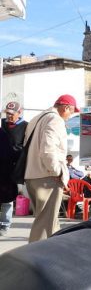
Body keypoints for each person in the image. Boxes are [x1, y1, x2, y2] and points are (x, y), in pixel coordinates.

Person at [24, 94, 78, 242]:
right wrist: (58, 171)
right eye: (71, 112)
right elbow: (47, 150)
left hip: (32, 175)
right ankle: (34, 258)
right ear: (66, 107)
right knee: (45, 223)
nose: (70, 116)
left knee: (49, 221)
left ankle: (55, 252)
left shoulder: (38, 118)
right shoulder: (55, 120)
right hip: (47, 176)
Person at [0, 101, 28, 236]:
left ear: (19, 112)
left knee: (8, 198)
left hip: (13, 168)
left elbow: (25, 147)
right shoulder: (2, 124)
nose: (9, 117)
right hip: (1, 165)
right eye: (7, 114)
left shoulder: (25, 127)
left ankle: (4, 226)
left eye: (12, 114)